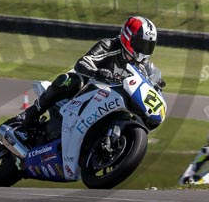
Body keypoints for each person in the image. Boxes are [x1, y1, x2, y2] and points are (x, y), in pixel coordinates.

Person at [17, 15, 165, 127]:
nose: (143, 50)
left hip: (109, 103)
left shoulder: (143, 66)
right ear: (128, 38)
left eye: (147, 46)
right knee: (70, 80)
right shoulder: (109, 46)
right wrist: (97, 73)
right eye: (141, 44)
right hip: (84, 92)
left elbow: (147, 87)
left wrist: (156, 87)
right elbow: (83, 62)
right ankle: (32, 112)